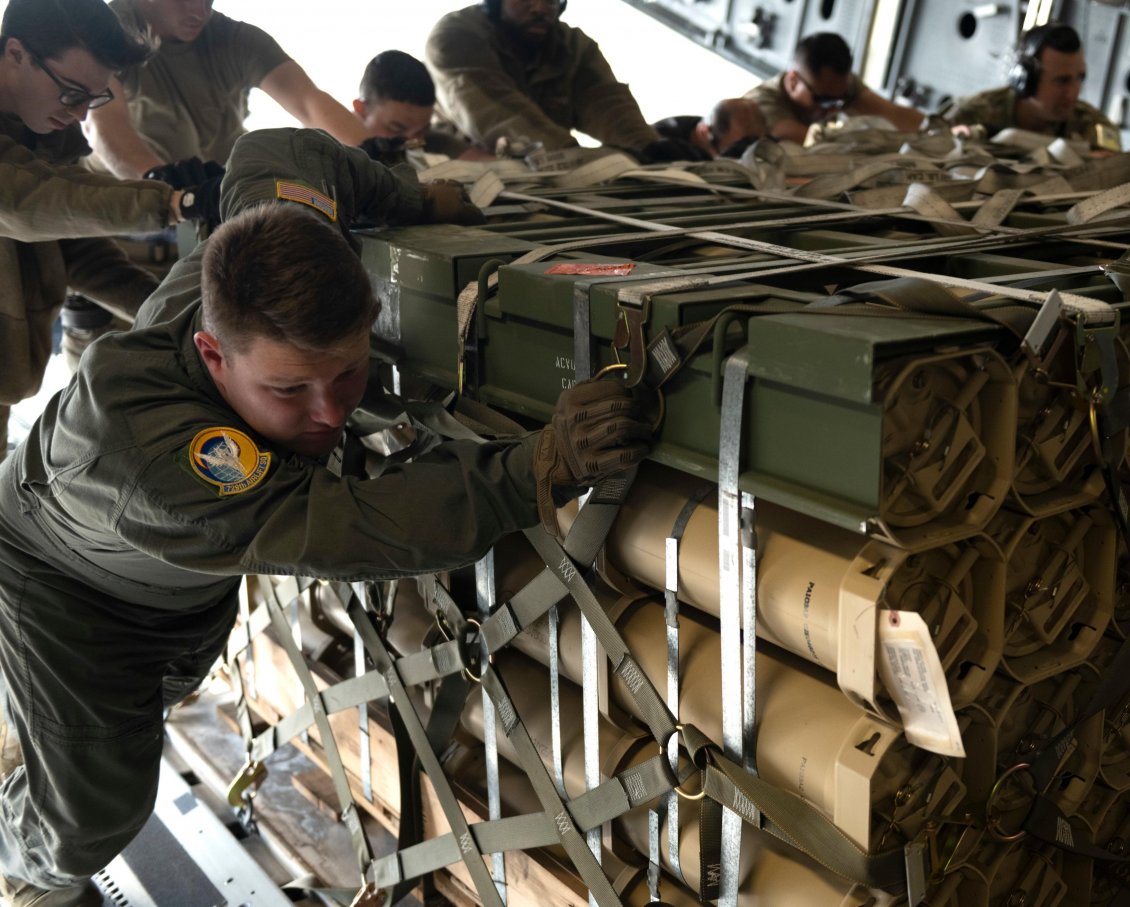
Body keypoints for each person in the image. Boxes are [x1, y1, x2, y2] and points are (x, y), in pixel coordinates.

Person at [0, 125, 647, 906]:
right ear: (212, 354)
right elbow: (358, 524)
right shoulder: (149, 460)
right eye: (288, 390)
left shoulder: (277, 231)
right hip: (65, 590)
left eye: (348, 371)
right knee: (92, 814)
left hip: (171, 581)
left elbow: (277, 151)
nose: (329, 411)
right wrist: (540, 466)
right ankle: (25, 865)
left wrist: (413, 198)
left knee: (143, 705)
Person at [0, 0, 201, 466]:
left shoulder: (40, 130)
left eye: (93, 99)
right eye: (71, 94)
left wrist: (179, 321)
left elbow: (73, 249)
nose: (79, 114)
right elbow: (25, 201)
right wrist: (173, 202)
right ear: (15, 54)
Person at [85, 0, 371, 184]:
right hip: (129, 201)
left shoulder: (235, 38)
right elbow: (104, 127)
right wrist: (161, 183)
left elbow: (309, 102)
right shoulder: (108, 32)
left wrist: (373, 155)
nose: (199, 12)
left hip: (213, 197)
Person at [426, 0, 688, 161]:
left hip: (543, 173)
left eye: (551, 0)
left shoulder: (573, 46)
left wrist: (651, 148)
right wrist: (573, 157)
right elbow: (497, 112)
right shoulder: (456, 38)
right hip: (462, 174)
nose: (540, 8)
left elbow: (607, 103)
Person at [941, 23, 1121, 150]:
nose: (1073, 93)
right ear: (1025, 80)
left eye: (1079, 78)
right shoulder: (972, 114)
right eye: (1062, 81)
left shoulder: (1091, 125)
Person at [744, 32, 925, 145]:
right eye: (823, 100)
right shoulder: (759, 104)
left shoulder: (837, 86)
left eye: (840, 100)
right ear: (793, 81)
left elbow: (894, 115)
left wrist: (940, 130)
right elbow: (805, 140)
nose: (833, 108)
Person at [351, 49, 490, 164]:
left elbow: (490, 164)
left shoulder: (428, 141)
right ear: (361, 109)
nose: (414, 142)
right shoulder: (336, 157)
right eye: (396, 128)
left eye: (422, 130)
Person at [652, 97, 768, 159]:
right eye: (726, 152)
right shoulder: (662, 141)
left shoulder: (713, 129)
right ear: (704, 133)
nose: (734, 158)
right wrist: (711, 156)